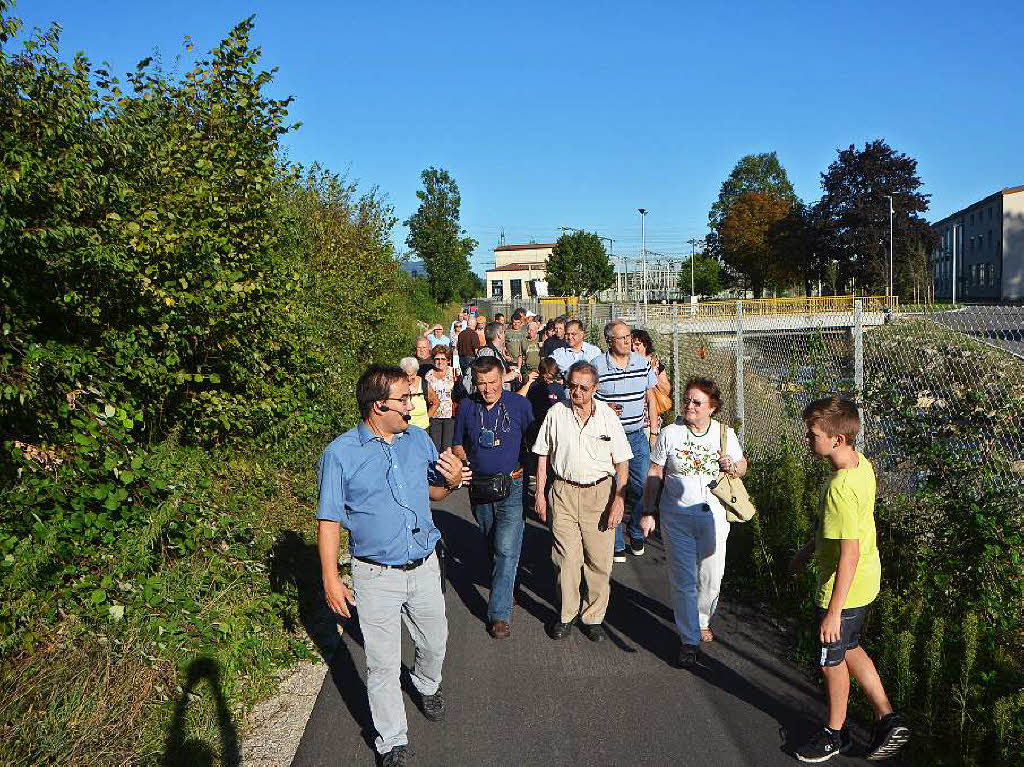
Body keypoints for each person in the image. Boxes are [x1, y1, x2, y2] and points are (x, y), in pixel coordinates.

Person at [316, 364, 466, 766]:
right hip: (375, 575)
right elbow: (329, 521)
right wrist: (331, 578)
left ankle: (426, 684)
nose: (413, 406)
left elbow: (434, 492)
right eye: (405, 399)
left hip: (424, 565)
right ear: (378, 405)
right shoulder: (340, 454)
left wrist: (451, 483)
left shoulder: (417, 441)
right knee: (381, 663)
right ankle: (392, 741)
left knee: (435, 641)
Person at [790, 397, 910, 762]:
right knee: (850, 646)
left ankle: (835, 733)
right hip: (866, 580)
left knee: (831, 660)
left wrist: (833, 611)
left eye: (813, 435)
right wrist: (808, 550)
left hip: (844, 589)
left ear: (837, 440)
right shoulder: (862, 466)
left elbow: (849, 552)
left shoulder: (840, 487)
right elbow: (844, 529)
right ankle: (887, 717)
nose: (807, 440)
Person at [640, 377, 747, 669]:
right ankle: (689, 639)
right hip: (677, 518)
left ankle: (701, 619)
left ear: (712, 408)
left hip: (714, 518)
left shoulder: (725, 434)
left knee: (712, 577)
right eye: (687, 400)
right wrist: (648, 510)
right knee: (683, 579)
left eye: (697, 403)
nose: (689, 406)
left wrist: (733, 466)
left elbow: (742, 466)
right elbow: (655, 471)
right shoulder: (671, 433)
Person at [533, 361, 632, 642]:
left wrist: (619, 500)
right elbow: (543, 456)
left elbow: (622, 461)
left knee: (599, 561)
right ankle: (567, 615)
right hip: (563, 492)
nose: (576, 391)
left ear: (595, 389)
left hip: (600, 494)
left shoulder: (608, 418)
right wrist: (540, 494)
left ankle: (593, 616)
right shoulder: (556, 413)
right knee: (566, 559)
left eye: (583, 388)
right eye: (572, 385)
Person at [452, 357, 535, 639]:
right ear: (474, 383)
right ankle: (506, 584)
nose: (487, 389)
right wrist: (467, 458)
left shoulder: (519, 405)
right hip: (480, 487)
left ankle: (499, 615)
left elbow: (533, 439)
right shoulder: (466, 407)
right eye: (481, 383)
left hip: (512, 484)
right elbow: (457, 443)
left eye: (492, 382)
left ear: (503, 379)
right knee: (491, 541)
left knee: (505, 547)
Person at [592, 320, 661, 562]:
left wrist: (653, 432)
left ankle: (635, 532)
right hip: (609, 437)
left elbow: (651, 397)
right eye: (621, 338)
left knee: (640, 486)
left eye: (629, 336)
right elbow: (584, 397)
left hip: (636, 436)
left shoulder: (641, 363)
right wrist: (602, 407)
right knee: (612, 487)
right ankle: (617, 540)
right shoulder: (597, 366)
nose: (627, 341)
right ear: (609, 340)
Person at [475, 321, 536, 395]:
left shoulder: (496, 351)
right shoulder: (488, 352)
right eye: (503, 332)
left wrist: (509, 368)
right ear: (499, 335)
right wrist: (508, 376)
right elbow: (486, 379)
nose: (505, 335)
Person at [631, 328, 672, 438]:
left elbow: (666, 390)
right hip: (632, 419)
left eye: (637, 344)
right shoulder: (626, 364)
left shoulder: (656, 365)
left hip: (650, 420)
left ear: (645, 345)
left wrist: (651, 373)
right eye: (631, 345)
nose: (633, 348)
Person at [425, 347, 458, 452]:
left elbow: (461, 392)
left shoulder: (454, 373)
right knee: (435, 446)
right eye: (437, 359)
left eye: (443, 359)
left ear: (448, 360)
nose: (440, 362)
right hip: (434, 415)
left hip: (450, 415)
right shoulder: (428, 375)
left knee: (447, 447)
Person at [399, 357, 433, 431]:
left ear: (416, 372)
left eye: (412, 375)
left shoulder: (424, 384)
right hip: (403, 427)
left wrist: (426, 418)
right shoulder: (398, 384)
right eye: (406, 375)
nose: (409, 378)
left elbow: (435, 403)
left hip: (422, 428)